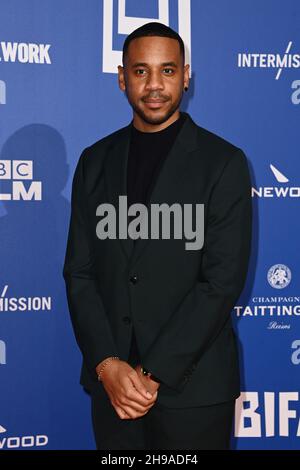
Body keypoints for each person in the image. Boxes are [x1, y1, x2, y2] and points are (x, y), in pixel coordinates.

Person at [63, 21, 252, 450]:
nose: (154, 85)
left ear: (186, 77)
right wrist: (107, 365)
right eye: (141, 71)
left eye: (167, 71)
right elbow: (79, 272)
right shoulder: (95, 161)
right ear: (122, 77)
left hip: (194, 392)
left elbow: (221, 283)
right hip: (113, 392)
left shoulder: (223, 162)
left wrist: (152, 374)